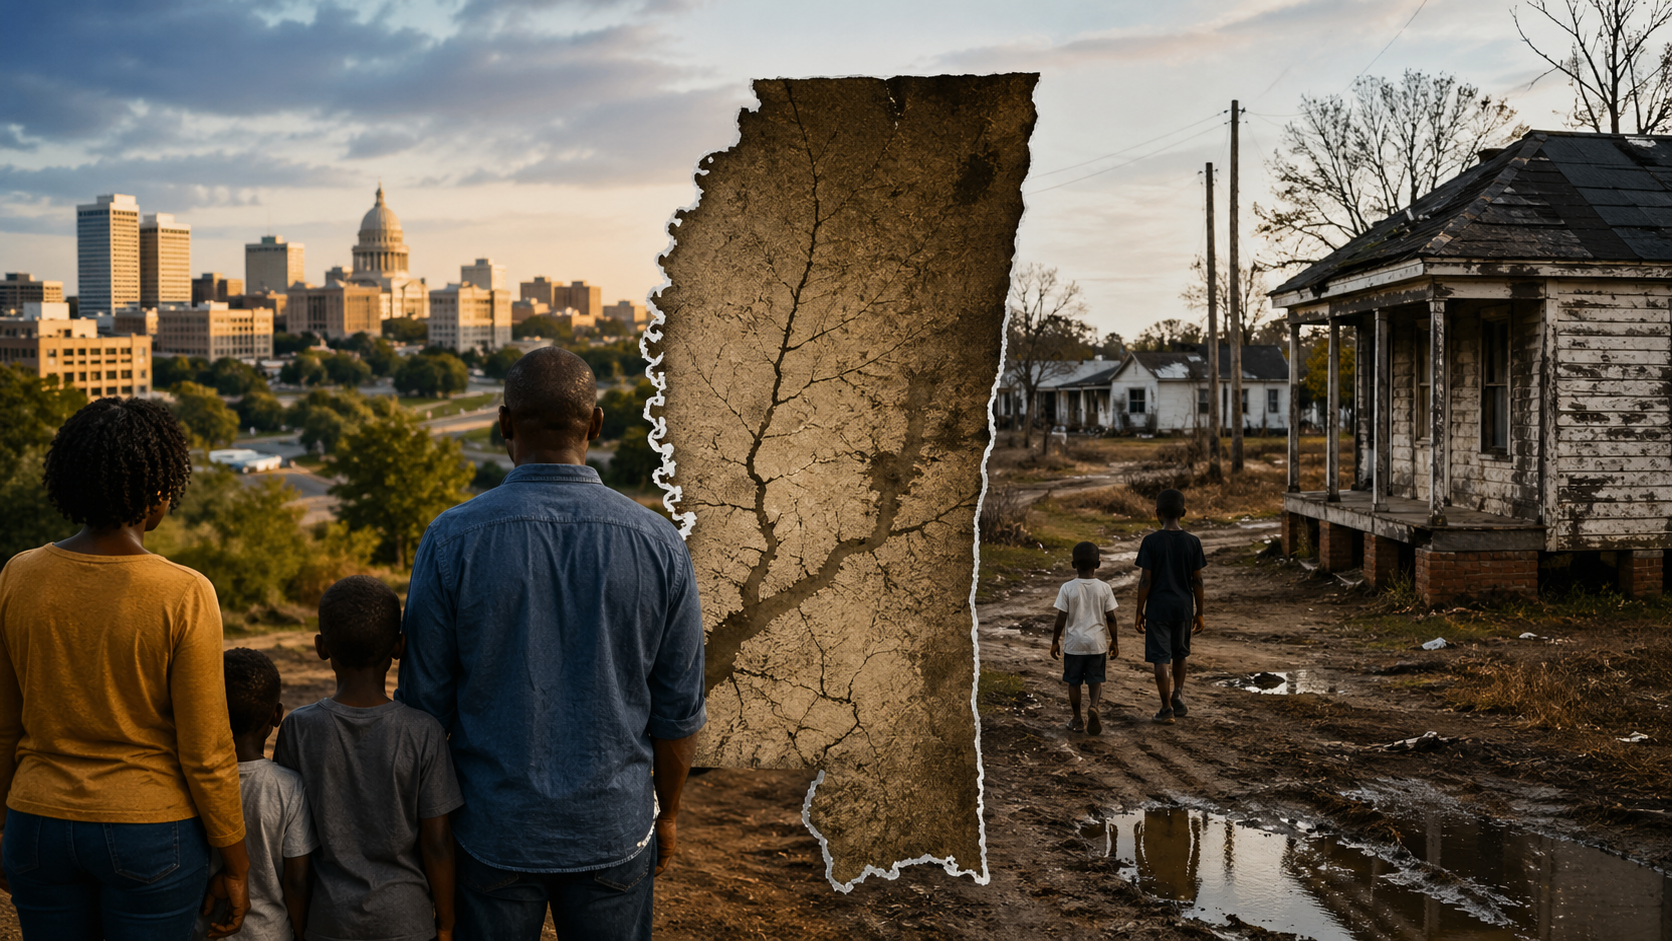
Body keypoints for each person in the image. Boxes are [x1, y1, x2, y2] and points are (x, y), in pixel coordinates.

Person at [400, 347, 706, 941]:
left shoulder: (451, 539)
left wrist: (427, 828)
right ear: (596, 423)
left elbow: (423, 708)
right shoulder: (659, 545)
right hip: (612, 829)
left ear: (504, 423)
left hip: (491, 830)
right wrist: (666, 814)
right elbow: (678, 710)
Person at [0, 397, 250, 939]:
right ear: (158, 493)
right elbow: (206, 750)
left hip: (37, 824)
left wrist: (4, 825)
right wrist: (236, 861)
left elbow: (4, 725)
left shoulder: (18, 575)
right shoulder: (184, 592)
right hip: (150, 831)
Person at [274, 576, 462, 941]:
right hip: (406, 921)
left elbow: (293, 843)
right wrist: (446, 924)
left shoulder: (298, 729)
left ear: (321, 647)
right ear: (399, 646)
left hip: (328, 922)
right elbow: (437, 842)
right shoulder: (423, 731)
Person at [197, 648, 317, 940]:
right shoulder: (289, 788)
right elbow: (297, 879)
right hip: (269, 932)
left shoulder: (194, 783)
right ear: (277, 715)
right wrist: (300, 932)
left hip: (205, 930)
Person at [1132, 488, 1207, 725]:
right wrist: (1200, 612)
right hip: (1183, 608)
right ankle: (1178, 694)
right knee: (1180, 654)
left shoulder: (1151, 542)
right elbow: (1197, 581)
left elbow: (1145, 580)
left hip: (1158, 609)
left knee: (1160, 660)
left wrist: (1139, 611)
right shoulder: (1193, 542)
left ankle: (1166, 709)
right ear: (1183, 512)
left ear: (1158, 513)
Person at [1049, 541, 1119, 735]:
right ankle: (1094, 706)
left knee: (1074, 683)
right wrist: (1114, 641)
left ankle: (1077, 719)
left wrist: (1055, 641)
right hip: (1097, 645)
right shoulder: (1104, 588)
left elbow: (1061, 618)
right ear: (1098, 564)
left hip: (1074, 646)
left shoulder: (1067, 588)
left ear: (1073, 565)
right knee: (1095, 681)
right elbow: (1111, 618)